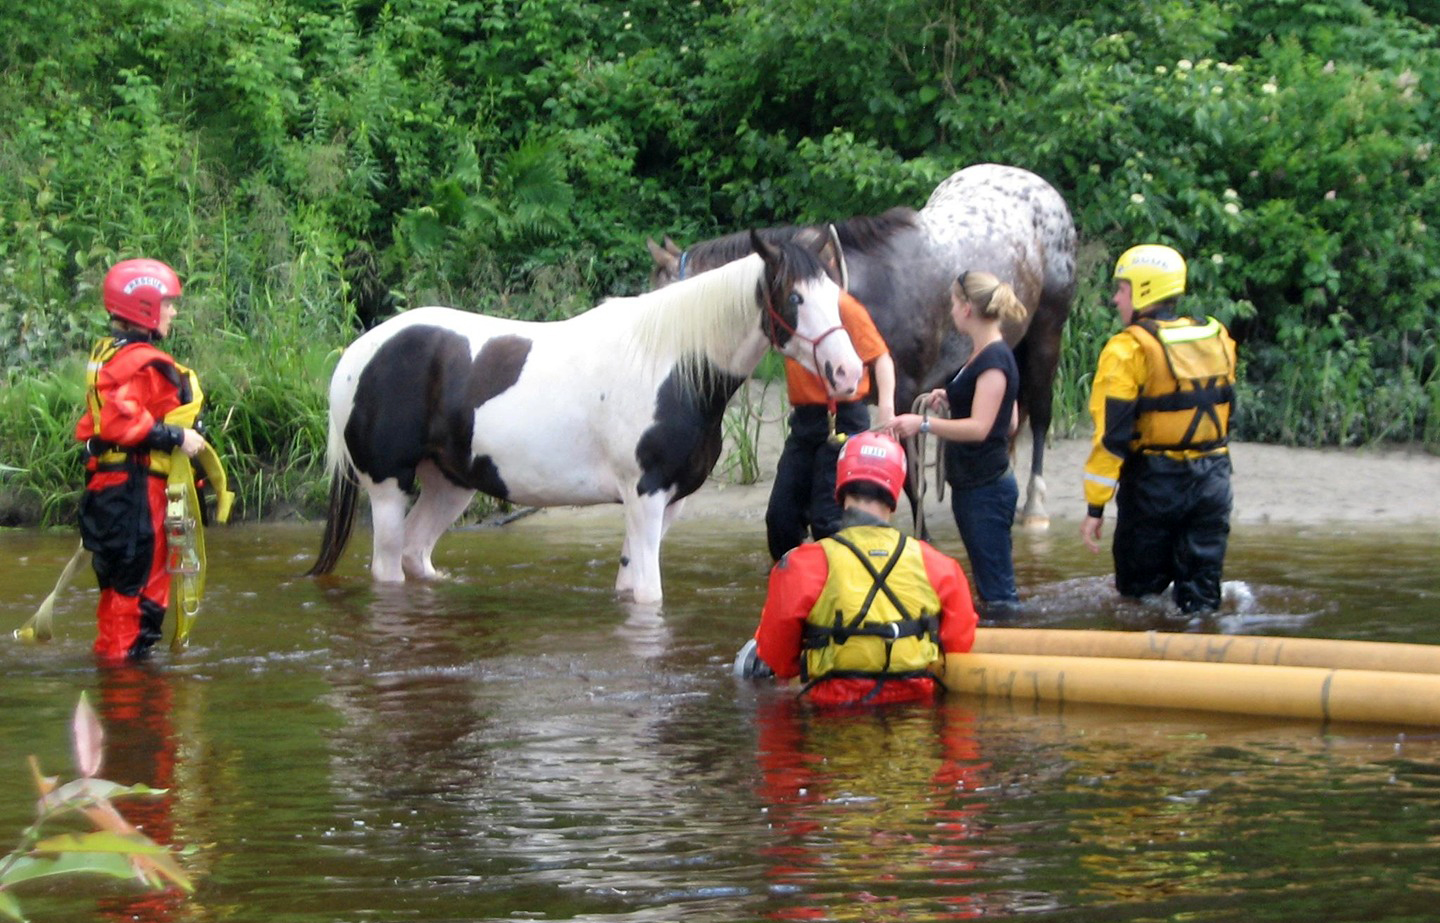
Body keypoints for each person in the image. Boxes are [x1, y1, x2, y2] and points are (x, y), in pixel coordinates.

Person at [746, 431, 977, 706]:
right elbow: (959, 644)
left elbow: (778, 660)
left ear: (841, 488)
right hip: (915, 719)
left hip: (831, 719)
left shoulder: (800, 566)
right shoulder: (942, 566)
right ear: (894, 491)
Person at [1080, 244, 1238, 613]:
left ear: (1143, 290)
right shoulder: (1218, 338)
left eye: (1122, 288)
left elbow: (1111, 437)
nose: (1116, 298)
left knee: (1138, 598)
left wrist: (1095, 507)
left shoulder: (1126, 349)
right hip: (1213, 480)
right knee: (1201, 601)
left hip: (1154, 485)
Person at [75, 258, 209, 663]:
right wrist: (177, 436)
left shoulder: (111, 355)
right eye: (167, 303)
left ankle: (120, 683)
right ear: (144, 306)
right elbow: (120, 421)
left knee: (122, 600)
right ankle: (128, 704)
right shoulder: (140, 364)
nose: (173, 311)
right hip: (134, 498)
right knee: (137, 603)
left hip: (114, 494)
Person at [888, 271, 1026, 619]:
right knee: (991, 581)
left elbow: (983, 428)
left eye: (953, 302)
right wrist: (951, 397)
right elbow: (1006, 422)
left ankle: (1007, 649)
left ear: (967, 308)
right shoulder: (984, 355)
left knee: (998, 592)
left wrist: (921, 423)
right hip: (976, 485)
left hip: (985, 489)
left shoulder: (994, 360)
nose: (950, 310)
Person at [766, 290, 895, 562]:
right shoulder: (789, 306)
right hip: (804, 420)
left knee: (828, 519)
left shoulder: (843, 305)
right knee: (781, 518)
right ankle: (791, 581)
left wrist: (886, 410)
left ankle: (844, 580)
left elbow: (880, 357)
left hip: (843, 417)